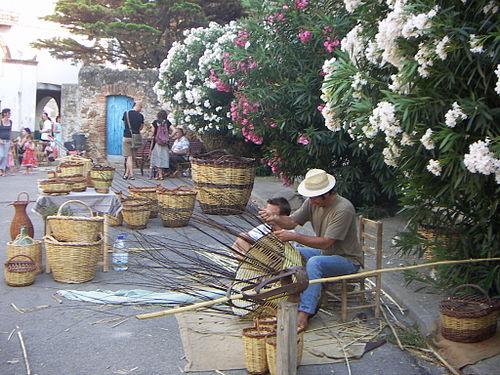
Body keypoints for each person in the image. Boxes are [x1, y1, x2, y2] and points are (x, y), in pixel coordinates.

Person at [259, 169, 363, 329]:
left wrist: (295, 236)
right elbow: (292, 222)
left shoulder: (343, 209)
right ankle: (290, 296)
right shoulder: (312, 202)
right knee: (293, 251)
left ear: (326, 194)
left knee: (315, 263)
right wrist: (276, 218)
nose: (311, 200)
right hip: (327, 254)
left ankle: (304, 313)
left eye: (314, 197)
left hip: (347, 260)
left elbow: (326, 243)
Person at [122, 102, 145, 180]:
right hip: (136, 137)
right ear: (137, 106)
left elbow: (124, 123)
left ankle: (131, 174)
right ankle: (127, 174)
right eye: (141, 107)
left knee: (129, 157)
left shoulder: (126, 113)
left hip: (127, 136)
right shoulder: (141, 116)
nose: (141, 109)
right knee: (132, 157)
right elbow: (141, 128)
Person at [150, 110, 173, 180]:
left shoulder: (155, 122)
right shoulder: (168, 123)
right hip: (165, 143)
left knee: (158, 158)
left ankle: (160, 175)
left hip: (157, 143)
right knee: (163, 158)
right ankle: (161, 174)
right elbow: (175, 130)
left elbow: (152, 132)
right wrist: (169, 137)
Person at [0, 108, 13, 177]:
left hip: (7, 140)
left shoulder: (10, 122)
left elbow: (10, 131)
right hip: (1, 140)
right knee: (1, 155)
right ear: (5, 113)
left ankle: (2, 170)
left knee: (5, 156)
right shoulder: (0, 122)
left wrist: (11, 140)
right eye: (9, 113)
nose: (10, 114)